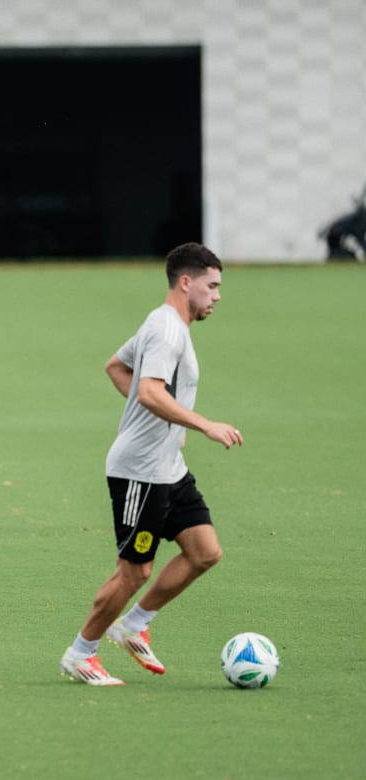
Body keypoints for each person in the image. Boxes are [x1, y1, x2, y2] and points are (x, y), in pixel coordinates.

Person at [60, 243, 243, 686]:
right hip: (139, 471)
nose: (217, 296)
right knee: (135, 570)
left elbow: (116, 368)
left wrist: (167, 421)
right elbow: (148, 391)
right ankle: (81, 654)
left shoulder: (164, 323)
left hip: (168, 468)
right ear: (186, 282)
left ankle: (135, 624)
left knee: (204, 552)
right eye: (212, 285)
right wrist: (200, 424)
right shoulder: (167, 330)